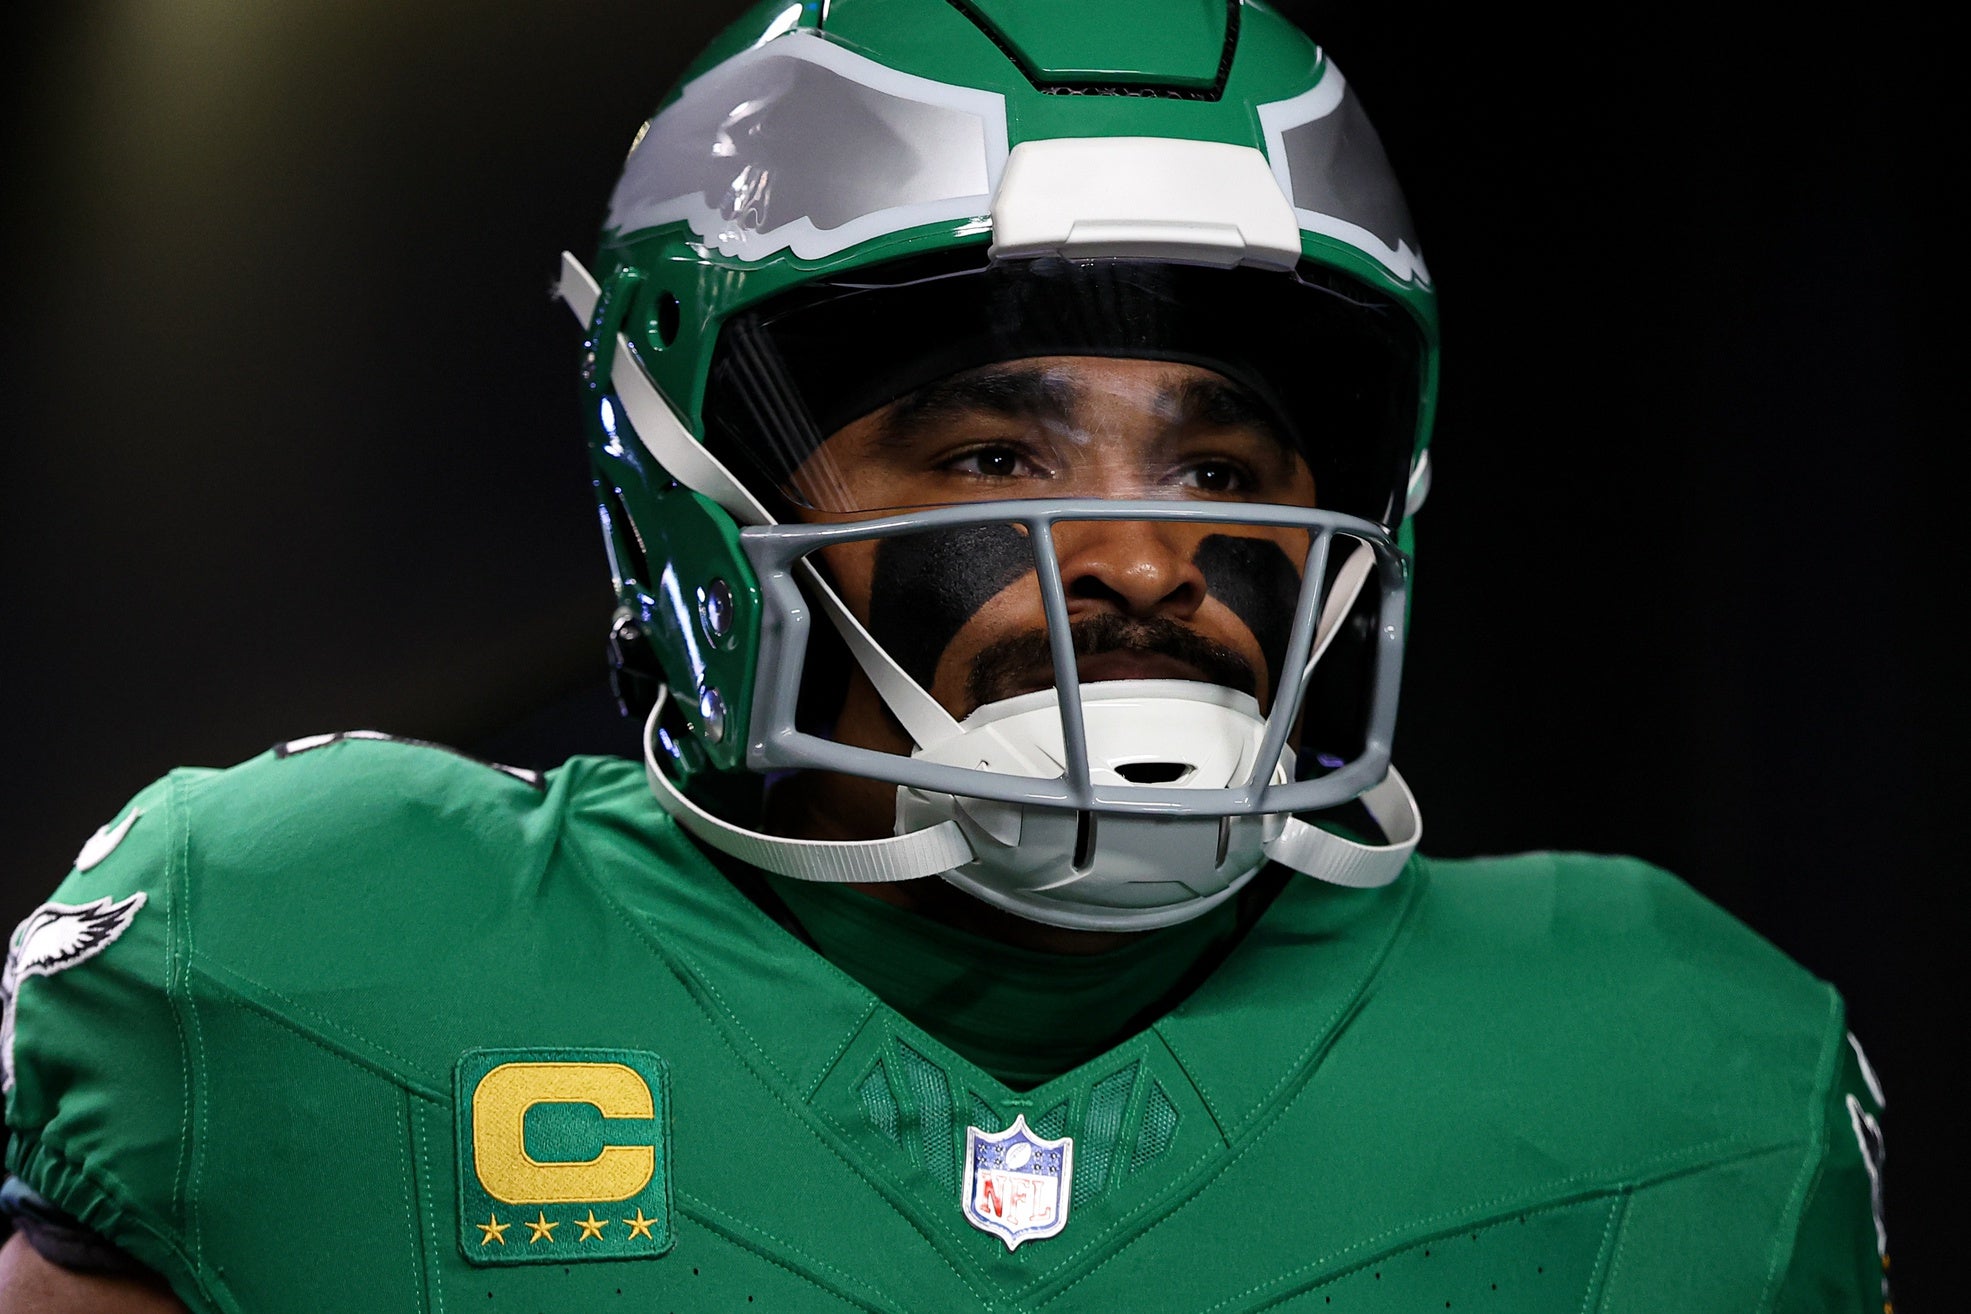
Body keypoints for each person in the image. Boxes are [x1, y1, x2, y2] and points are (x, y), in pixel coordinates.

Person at [0, 0, 1890, 1309]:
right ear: (699, 484)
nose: (1150, 555)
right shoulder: (292, 954)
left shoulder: (1675, 1062)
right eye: (999, 452)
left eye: (1223, 460)